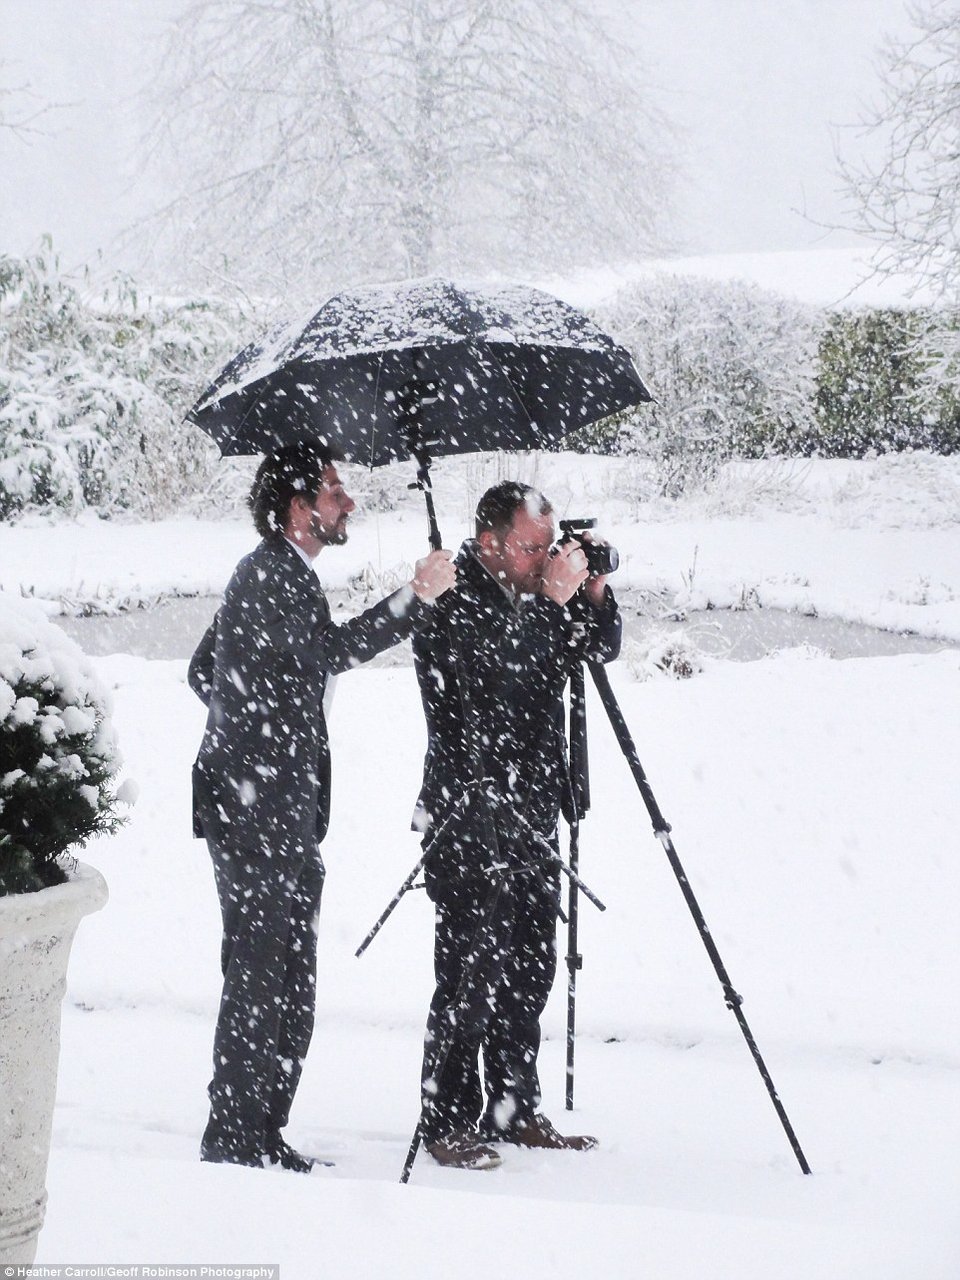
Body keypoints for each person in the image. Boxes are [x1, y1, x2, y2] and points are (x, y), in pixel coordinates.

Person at [188, 439, 455, 1173]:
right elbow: (332, 651)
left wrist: (257, 717)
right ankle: (238, 1140)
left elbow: (203, 671)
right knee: (263, 978)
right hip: (257, 815)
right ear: (299, 507)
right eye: (336, 491)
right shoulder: (273, 576)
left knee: (283, 977)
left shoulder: (273, 575)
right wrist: (416, 596)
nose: (349, 502)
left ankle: (259, 1133)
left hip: (266, 808)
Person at [411, 480, 621, 1171]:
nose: (543, 560)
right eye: (533, 548)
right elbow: (498, 682)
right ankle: (444, 1120)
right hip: (470, 813)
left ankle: (513, 1105)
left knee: (529, 967)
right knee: (469, 972)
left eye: (549, 547)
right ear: (490, 541)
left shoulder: (535, 596)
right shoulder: (449, 591)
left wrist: (587, 593)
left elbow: (598, 647)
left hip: (532, 808)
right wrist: (554, 605)